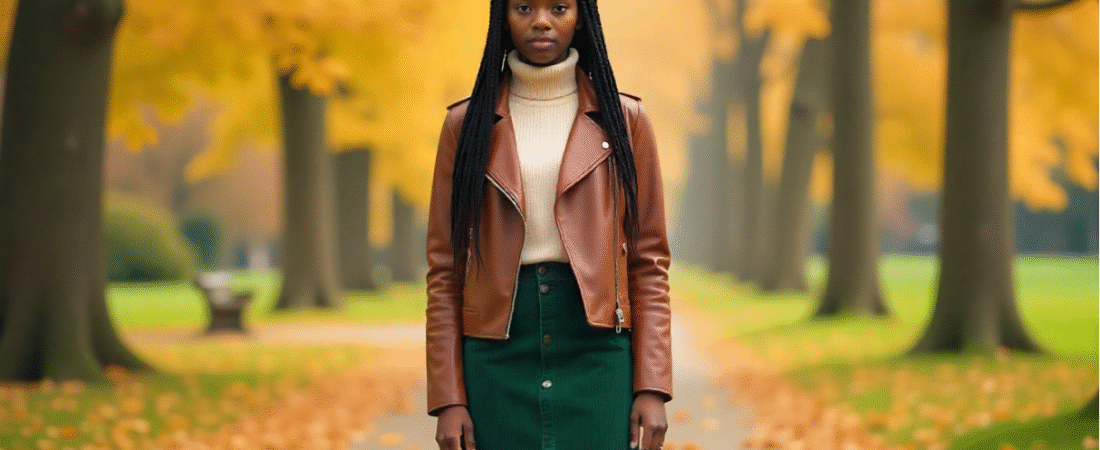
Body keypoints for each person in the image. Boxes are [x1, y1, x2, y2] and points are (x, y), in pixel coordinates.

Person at [424, 0, 672, 449]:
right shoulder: (464, 126)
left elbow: (648, 263)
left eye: (559, 7)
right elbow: (445, 271)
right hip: (495, 355)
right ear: (503, 16)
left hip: (598, 354)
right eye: (523, 7)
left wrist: (652, 385)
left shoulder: (626, 122)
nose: (541, 20)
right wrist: (448, 398)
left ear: (581, 17)